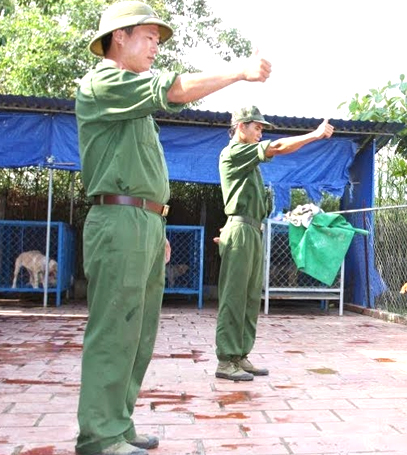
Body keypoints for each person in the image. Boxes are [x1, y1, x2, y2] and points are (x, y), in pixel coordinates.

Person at [75, 2, 271, 455]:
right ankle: (99, 435)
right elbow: (176, 89)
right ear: (119, 37)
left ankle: (118, 425)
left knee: (139, 334)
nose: (154, 48)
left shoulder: (132, 104)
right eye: (148, 38)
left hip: (142, 221)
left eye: (158, 42)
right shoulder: (103, 81)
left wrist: (157, 223)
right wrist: (240, 71)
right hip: (118, 219)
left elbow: (140, 169)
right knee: (114, 330)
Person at [215, 106, 333, 381]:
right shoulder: (233, 152)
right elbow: (278, 147)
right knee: (234, 297)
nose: (260, 132)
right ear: (241, 126)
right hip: (241, 230)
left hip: (252, 230)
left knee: (249, 297)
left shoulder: (248, 162)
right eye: (257, 127)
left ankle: (240, 355)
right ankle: (225, 360)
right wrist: (315, 134)